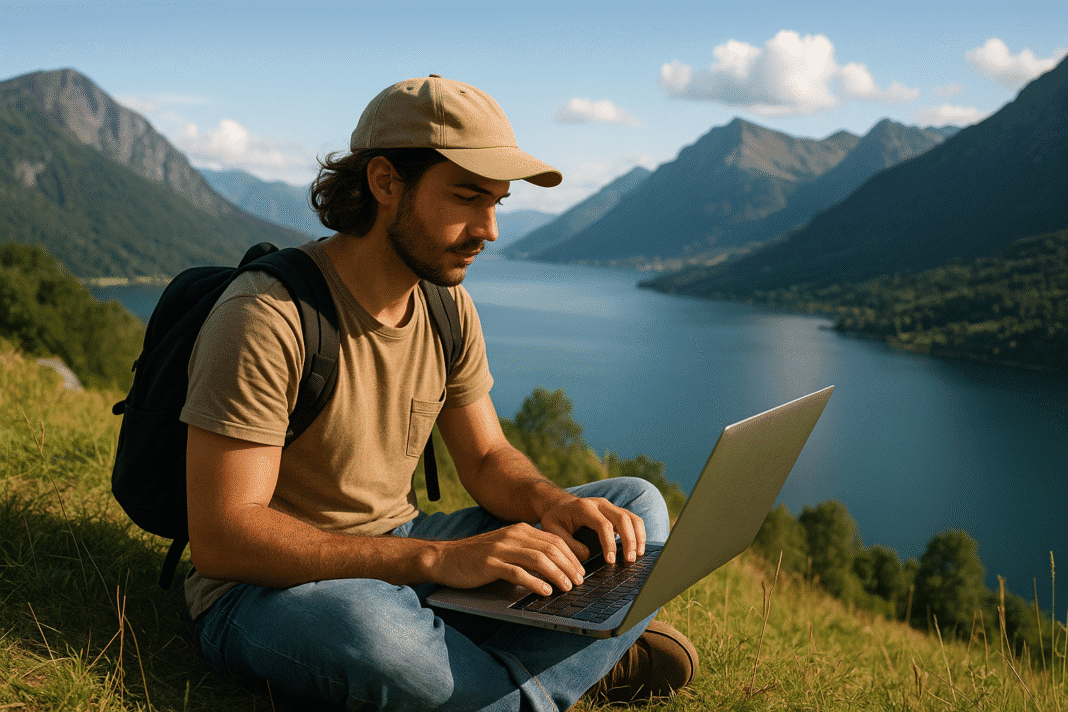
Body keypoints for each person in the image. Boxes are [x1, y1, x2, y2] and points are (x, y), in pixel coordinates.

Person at [181, 74, 698, 711]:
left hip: (401, 548)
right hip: (271, 590)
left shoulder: (446, 305)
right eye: (466, 197)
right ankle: (566, 672)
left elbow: (484, 459)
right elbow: (223, 536)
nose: (489, 230)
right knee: (371, 631)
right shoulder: (269, 314)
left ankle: (493, 673)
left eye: (498, 203)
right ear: (384, 181)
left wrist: (551, 501)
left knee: (633, 509)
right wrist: (437, 561)